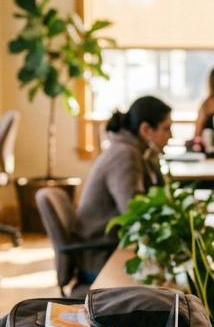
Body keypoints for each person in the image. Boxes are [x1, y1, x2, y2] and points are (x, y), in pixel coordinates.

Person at [74, 95, 172, 277]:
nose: (171, 135)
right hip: (102, 258)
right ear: (146, 129)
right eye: (166, 129)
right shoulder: (125, 156)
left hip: (113, 249)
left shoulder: (135, 151)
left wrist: (153, 157)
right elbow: (134, 214)